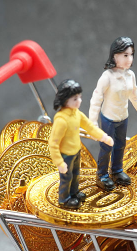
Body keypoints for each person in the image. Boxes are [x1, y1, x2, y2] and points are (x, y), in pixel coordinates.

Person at [89, 36, 137, 191]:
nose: (129, 59)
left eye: (131, 55)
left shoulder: (131, 76)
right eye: (125, 55)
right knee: (106, 147)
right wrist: (93, 124)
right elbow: (96, 99)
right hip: (108, 118)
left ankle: (117, 170)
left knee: (120, 145)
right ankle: (102, 175)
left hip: (123, 118)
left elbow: (135, 98)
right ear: (115, 55)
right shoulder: (107, 77)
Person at [49, 79, 114, 209]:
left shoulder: (77, 114)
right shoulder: (61, 120)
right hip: (65, 155)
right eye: (75, 99)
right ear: (65, 100)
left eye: (79, 97)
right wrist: (59, 162)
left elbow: (89, 127)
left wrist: (103, 137)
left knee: (76, 174)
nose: (79, 101)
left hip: (76, 152)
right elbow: (53, 143)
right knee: (66, 177)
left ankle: (74, 193)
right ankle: (64, 199)